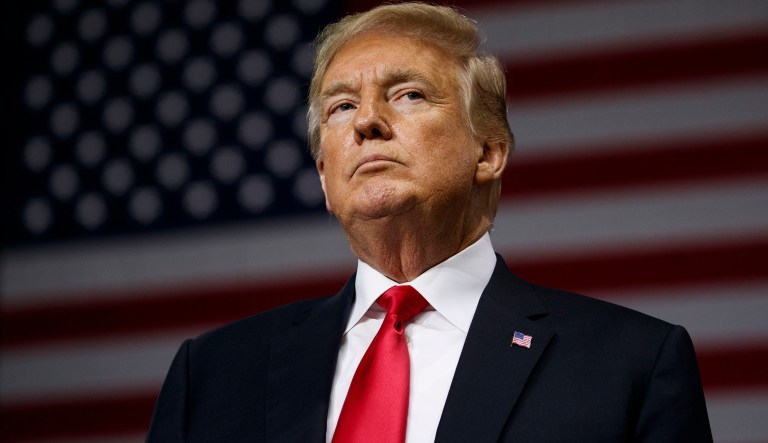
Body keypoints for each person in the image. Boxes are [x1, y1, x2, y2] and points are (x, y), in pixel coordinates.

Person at [146, 3, 713, 442]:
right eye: (341, 106)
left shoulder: (631, 365)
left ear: (489, 152)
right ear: (324, 176)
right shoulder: (213, 374)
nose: (367, 120)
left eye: (409, 94)